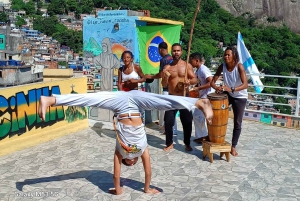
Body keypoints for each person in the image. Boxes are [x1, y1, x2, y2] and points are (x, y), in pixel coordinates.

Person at [38, 90, 213, 195]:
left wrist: (119, 190)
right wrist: (146, 189)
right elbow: (148, 172)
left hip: (120, 105)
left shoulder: (121, 150)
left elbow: (117, 176)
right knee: (163, 102)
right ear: (133, 161)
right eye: (131, 161)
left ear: (128, 161)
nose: (131, 160)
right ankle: (199, 102)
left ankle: (51, 100)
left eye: (129, 161)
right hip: (135, 103)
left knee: (91, 99)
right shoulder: (139, 150)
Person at [210, 46, 248, 156]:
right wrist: (217, 88)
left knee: (237, 122)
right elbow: (212, 81)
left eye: (228, 55)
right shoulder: (223, 66)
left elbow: (245, 85)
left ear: (234, 56)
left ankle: (233, 146)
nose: (226, 56)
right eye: (225, 54)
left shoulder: (239, 67)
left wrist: (231, 89)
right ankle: (215, 137)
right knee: (215, 113)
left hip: (240, 96)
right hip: (229, 93)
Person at [161, 43, 198, 152]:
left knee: (187, 121)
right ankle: (169, 143)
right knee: (168, 121)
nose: (176, 52)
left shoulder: (187, 66)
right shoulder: (167, 67)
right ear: (171, 52)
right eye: (174, 51)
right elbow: (164, 85)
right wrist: (164, 76)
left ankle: (187, 143)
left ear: (181, 52)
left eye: (178, 50)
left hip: (184, 96)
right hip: (172, 97)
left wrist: (189, 81)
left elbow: (195, 79)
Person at [145, 42, 178, 135]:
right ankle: (168, 128)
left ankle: (171, 130)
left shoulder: (164, 60)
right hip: (174, 88)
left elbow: (161, 74)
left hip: (167, 88)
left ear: (160, 49)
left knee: (168, 111)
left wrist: (151, 77)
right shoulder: (172, 59)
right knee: (171, 110)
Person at [189, 52, 214, 143]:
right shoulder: (198, 70)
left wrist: (199, 88)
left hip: (206, 97)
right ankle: (202, 136)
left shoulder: (204, 69)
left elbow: (211, 82)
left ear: (196, 60)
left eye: (191, 60)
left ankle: (203, 136)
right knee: (197, 116)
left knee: (198, 116)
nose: (190, 62)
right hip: (202, 96)